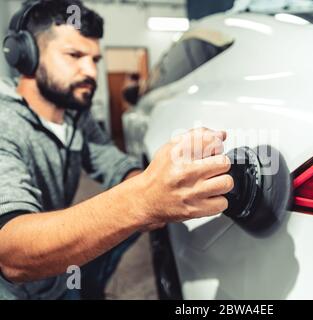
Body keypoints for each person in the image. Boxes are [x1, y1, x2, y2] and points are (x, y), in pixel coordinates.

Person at [0, 0, 233, 300]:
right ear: (26, 56)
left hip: (58, 277)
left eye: (94, 59)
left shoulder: (75, 116)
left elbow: (113, 163)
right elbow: (11, 252)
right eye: (74, 55)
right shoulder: (5, 123)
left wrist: (151, 185)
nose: (91, 72)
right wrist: (144, 199)